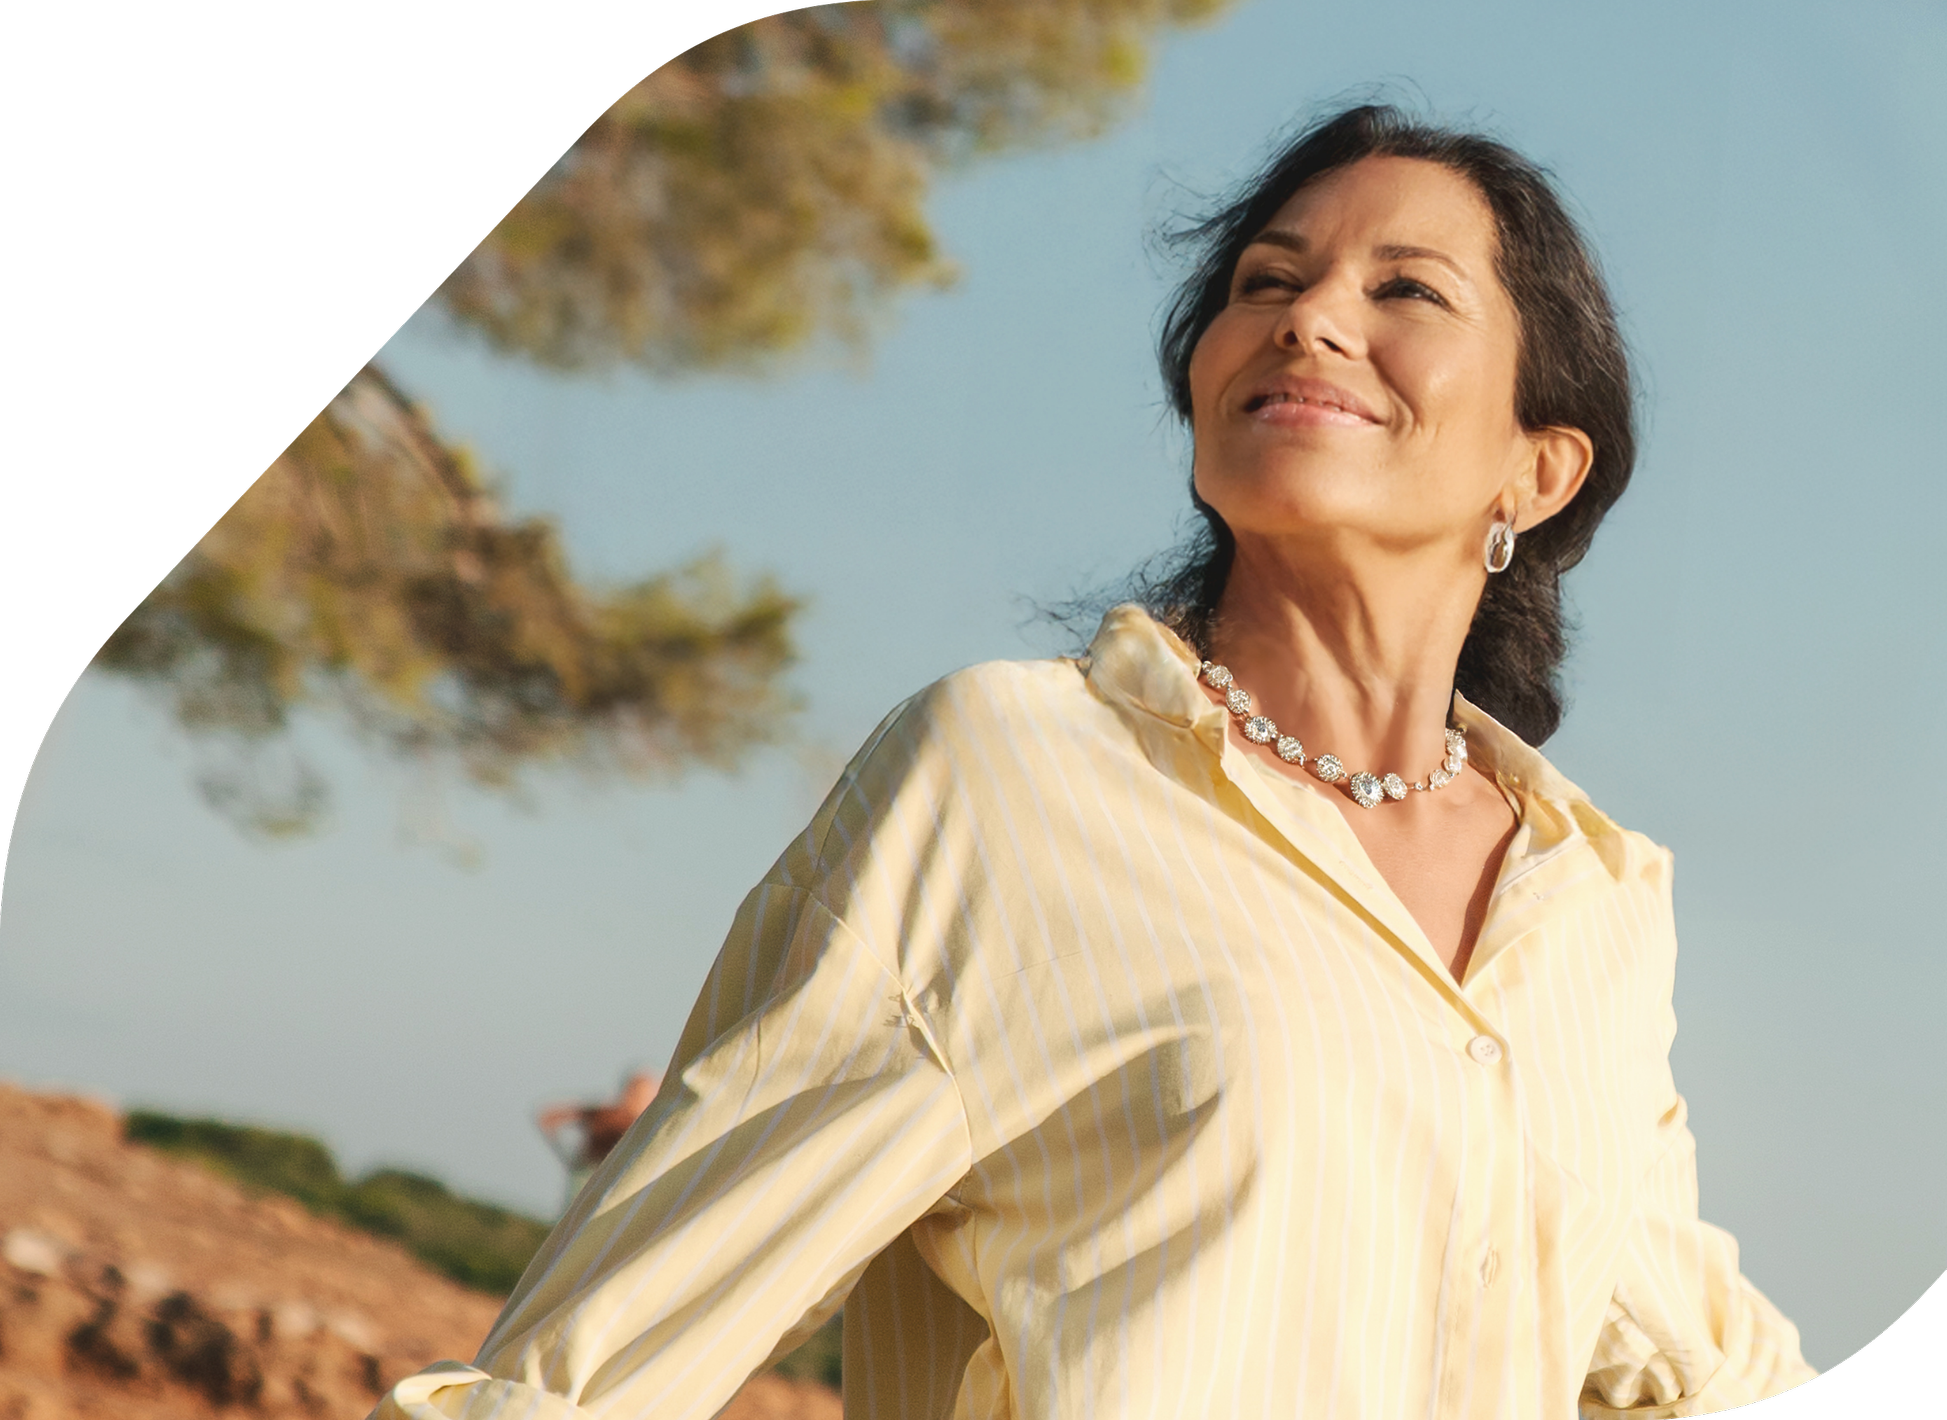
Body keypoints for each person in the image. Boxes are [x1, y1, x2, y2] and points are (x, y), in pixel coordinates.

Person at [373, 103, 1814, 1420]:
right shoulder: (1009, 777)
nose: (1307, 317)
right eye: (1265, 279)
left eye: (1405, 290)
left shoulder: (1594, 904)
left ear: (1538, 470)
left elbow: (1690, 1355)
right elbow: (590, 1372)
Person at [534, 1069, 660, 1205]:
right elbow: (548, 1117)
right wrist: (568, 1157)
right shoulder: (606, 1115)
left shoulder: (644, 1125)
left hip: (612, 1183)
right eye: (637, 1092)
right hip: (588, 1177)